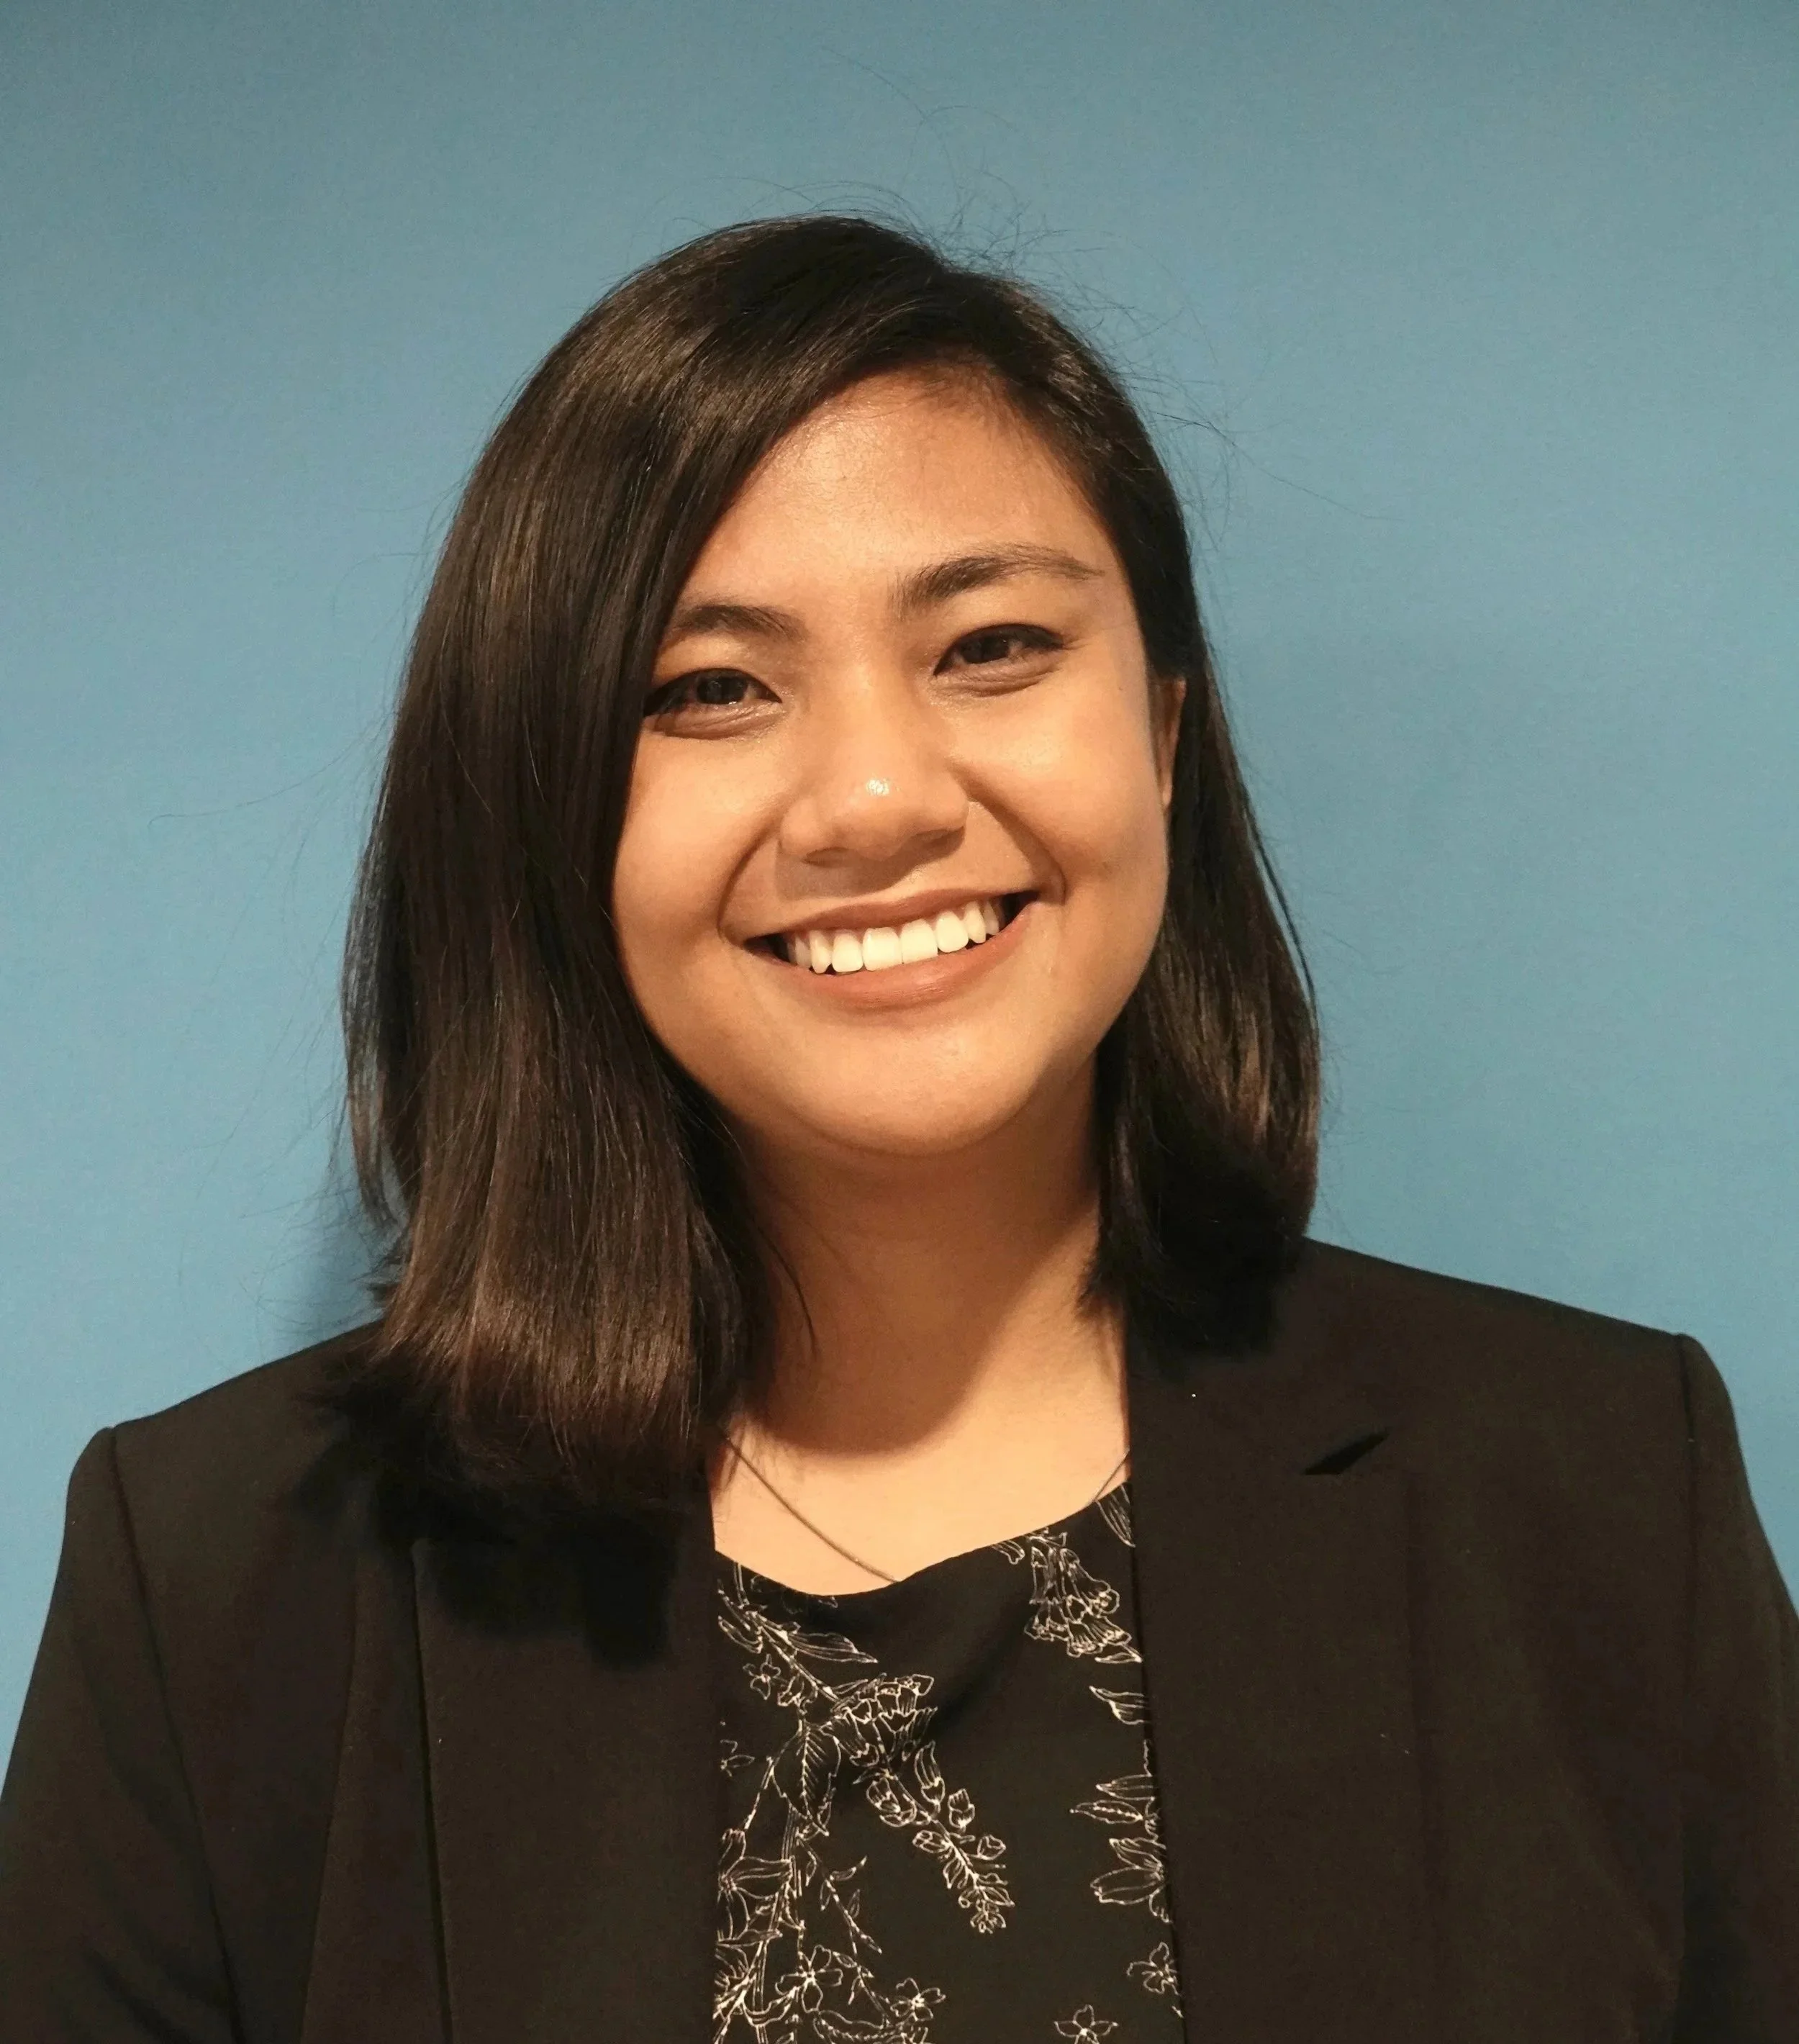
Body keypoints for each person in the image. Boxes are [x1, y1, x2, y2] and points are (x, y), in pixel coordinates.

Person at [1, 213, 1793, 2044]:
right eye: (711, 687)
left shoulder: (1589, 1492)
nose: (873, 796)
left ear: (1161, 732)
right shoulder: (221, 1581)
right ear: (544, 803)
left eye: (990, 644)